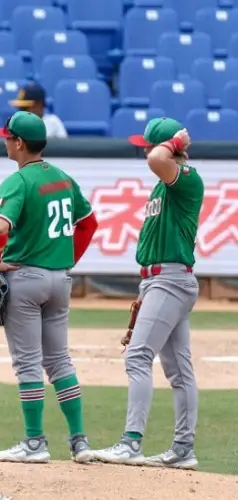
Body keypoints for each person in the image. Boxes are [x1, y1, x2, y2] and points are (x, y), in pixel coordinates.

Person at [0, 111, 99, 463]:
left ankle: (35, 443)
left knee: (29, 364)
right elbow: (89, 222)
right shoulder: (63, 178)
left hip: (25, 279)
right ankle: (79, 441)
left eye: (8, 137)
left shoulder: (17, 181)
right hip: (59, 279)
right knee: (60, 362)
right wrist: (68, 259)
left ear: (19, 143)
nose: (5, 141)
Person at [92, 119, 203, 470]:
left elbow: (156, 158)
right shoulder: (163, 186)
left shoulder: (186, 179)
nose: (143, 149)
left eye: (148, 144)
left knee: (138, 357)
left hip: (170, 280)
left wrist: (170, 143)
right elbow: (156, 160)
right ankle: (184, 449)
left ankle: (131, 442)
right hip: (160, 281)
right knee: (178, 370)